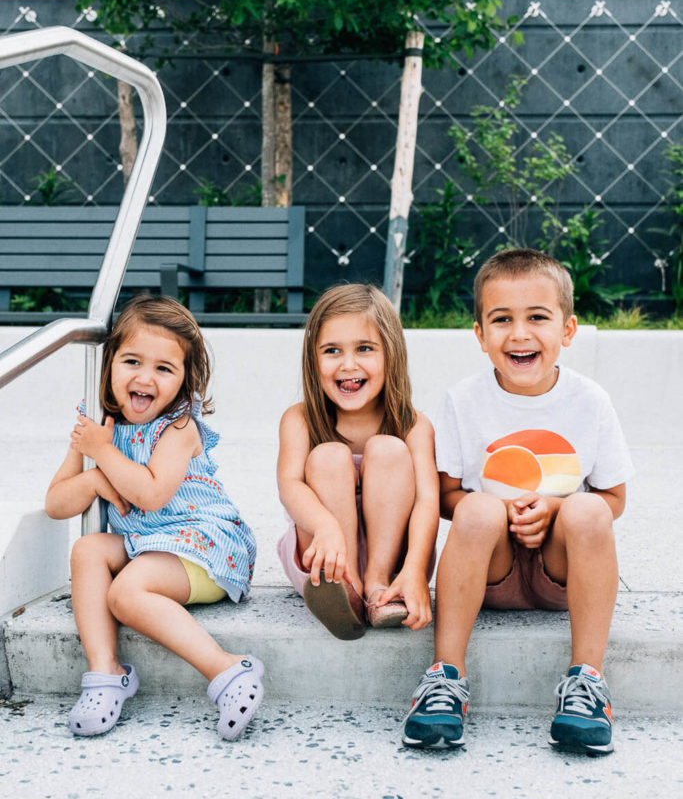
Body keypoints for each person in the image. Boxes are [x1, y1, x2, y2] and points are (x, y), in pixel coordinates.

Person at [403, 249, 634, 755]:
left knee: (589, 508)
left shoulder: (589, 400)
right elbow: (446, 496)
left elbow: (614, 497)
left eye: (537, 317)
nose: (520, 333)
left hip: (559, 572)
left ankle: (587, 683)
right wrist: (501, 511)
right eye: (502, 319)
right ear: (480, 335)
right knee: (477, 507)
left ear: (568, 330)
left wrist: (555, 510)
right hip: (494, 571)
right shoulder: (464, 399)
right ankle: (445, 680)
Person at [45, 295, 263, 741]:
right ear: (108, 366)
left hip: (203, 545)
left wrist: (102, 453)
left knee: (125, 593)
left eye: (164, 368)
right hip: (147, 545)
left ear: (184, 381)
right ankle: (106, 673)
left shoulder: (178, 429)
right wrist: (92, 481)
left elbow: (151, 494)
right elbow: (55, 504)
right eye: (131, 361)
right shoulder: (98, 426)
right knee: (87, 548)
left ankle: (227, 670)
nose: (145, 377)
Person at [277, 283, 439, 640]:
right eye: (332, 350)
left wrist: (414, 570)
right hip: (324, 554)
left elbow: (429, 500)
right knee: (328, 456)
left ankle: (378, 585)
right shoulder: (300, 419)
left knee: (388, 449)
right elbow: (289, 485)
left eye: (365, 349)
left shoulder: (413, 425)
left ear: (390, 354)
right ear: (313, 359)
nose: (348, 365)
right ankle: (344, 587)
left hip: (392, 554)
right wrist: (325, 526)